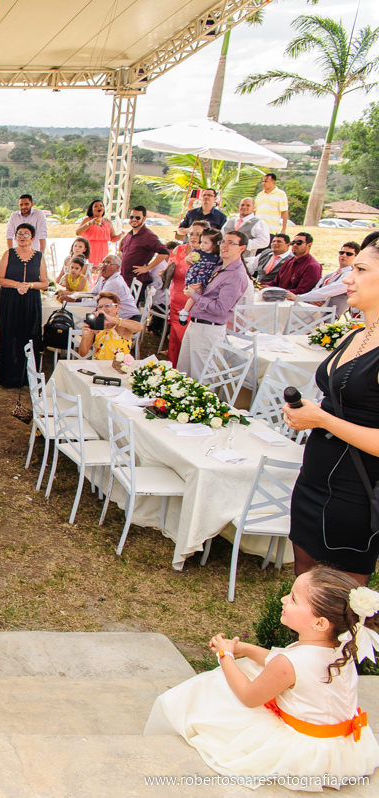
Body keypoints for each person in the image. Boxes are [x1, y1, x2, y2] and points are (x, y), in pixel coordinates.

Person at [146, 568, 379, 785]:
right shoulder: (343, 647)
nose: (284, 599)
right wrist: (246, 649)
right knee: (251, 667)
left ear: (319, 623)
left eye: (293, 599)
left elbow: (249, 696)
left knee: (216, 684)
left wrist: (225, 656)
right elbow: (285, 665)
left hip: (307, 756)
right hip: (344, 748)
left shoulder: (288, 663)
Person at [284, 231, 379, 583]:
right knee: (303, 583)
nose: (348, 279)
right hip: (314, 480)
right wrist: (307, 416)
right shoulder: (355, 334)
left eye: (361, 270)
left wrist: (321, 419)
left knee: (337, 599)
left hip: (356, 493)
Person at [175, 231, 251, 379]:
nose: (224, 245)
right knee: (183, 373)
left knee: (201, 378)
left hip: (208, 329)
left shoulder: (236, 275)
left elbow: (220, 309)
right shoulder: (219, 266)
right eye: (223, 241)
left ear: (242, 248)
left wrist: (194, 295)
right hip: (195, 324)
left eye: (231, 243)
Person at [0, 224, 47, 388]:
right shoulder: (8, 254)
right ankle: (7, 376)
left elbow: (45, 282)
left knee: (29, 336)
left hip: (30, 300)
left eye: (26, 234)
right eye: (19, 234)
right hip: (9, 299)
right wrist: (17, 285)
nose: (22, 237)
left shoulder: (39, 256)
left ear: (33, 238)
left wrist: (29, 285)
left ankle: (27, 376)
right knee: (9, 335)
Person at [165, 223, 205, 364]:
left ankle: (184, 369)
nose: (194, 237)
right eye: (192, 233)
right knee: (174, 338)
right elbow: (170, 269)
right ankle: (172, 368)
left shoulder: (206, 255)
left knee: (185, 340)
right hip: (175, 298)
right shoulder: (179, 249)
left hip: (191, 304)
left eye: (199, 234)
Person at [288, 241, 357, 317]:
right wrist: (310, 300)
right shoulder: (330, 275)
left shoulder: (351, 276)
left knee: (289, 314)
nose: (343, 255)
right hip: (313, 310)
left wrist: (300, 298)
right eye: (341, 253)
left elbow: (329, 291)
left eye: (349, 254)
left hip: (328, 315)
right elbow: (316, 290)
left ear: (356, 257)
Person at [176, 229, 223, 326]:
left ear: (214, 244)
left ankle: (187, 311)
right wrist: (189, 259)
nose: (202, 245)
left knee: (200, 295)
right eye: (201, 242)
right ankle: (185, 311)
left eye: (205, 243)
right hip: (196, 276)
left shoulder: (217, 256)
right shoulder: (198, 252)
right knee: (196, 294)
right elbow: (188, 261)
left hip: (207, 279)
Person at [76, 293, 143, 359]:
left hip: (118, 365)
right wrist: (85, 336)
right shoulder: (96, 325)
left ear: (117, 307)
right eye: (100, 307)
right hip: (99, 364)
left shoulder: (121, 325)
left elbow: (139, 327)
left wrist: (111, 319)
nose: (103, 309)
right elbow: (82, 353)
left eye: (107, 306)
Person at [117, 205, 169, 289]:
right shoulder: (130, 234)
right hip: (124, 279)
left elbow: (164, 252)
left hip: (137, 281)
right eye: (132, 217)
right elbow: (122, 252)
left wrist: (147, 268)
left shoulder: (148, 236)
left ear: (144, 218)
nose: (134, 219)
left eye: (137, 217)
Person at [75, 199, 121, 263]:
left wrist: (121, 235)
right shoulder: (87, 220)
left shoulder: (108, 222)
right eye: (96, 206)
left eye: (101, 206)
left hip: (103, 250)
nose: (99, 207)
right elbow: (78, 233)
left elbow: (112, 238)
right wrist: (89, 223)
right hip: (90, 248)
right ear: (91, 209)